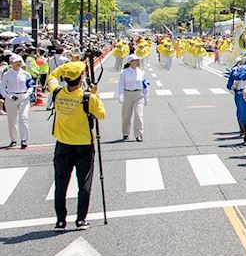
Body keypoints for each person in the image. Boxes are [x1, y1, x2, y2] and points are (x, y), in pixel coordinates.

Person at [47, 61, 107, 230]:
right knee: (84, 183)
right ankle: (81, 219)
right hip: (83, 145)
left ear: (65, 78)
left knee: (61, 183)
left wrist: (64, 68)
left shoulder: (57, 92)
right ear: (82, 78)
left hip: (63, 144)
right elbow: (101, 115)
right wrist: (95, 94)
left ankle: (60, 220)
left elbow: (51, 77)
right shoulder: (88, 97)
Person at [2, 53, 34, 149]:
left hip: (23, 97)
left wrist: (27, 94)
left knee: (23, 118)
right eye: (16, 62)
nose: (18, 63)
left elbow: (30, 86)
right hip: (11, 97)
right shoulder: (7, 74)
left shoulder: (26, 74)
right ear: (11, 63)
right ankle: (13, 139)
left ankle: (24, 139)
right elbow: (2, 87)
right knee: (12, 120)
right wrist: (8, 96)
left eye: (19, 61)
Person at [117, 52, 149, 142]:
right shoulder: (124, 72)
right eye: (136, 60)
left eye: (138, 60)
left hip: (139, 95)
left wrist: (146, 97)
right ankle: (125, 133)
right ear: (130, 62)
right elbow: (121, 84)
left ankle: (139, 134)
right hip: (128, 94)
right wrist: (121, 95)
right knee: (126, 116)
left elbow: (145, 85)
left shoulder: (141, 72)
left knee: (139, 115)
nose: (138, 62)